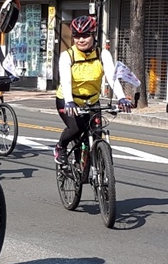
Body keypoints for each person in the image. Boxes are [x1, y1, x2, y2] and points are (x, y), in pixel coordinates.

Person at [53, 14, 133, 164]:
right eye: (77, 36)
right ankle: (60, 147)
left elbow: (111, 77)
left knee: (97, 134)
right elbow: (66, 81)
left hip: (92, 100)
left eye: (85, 35)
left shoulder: (103, 54)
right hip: (68, 99)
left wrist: (121, 97)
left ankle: (101, 172)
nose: (81, 40)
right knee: (76, 128)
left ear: (93, 35)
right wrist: (70, 102)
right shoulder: (67, 56)